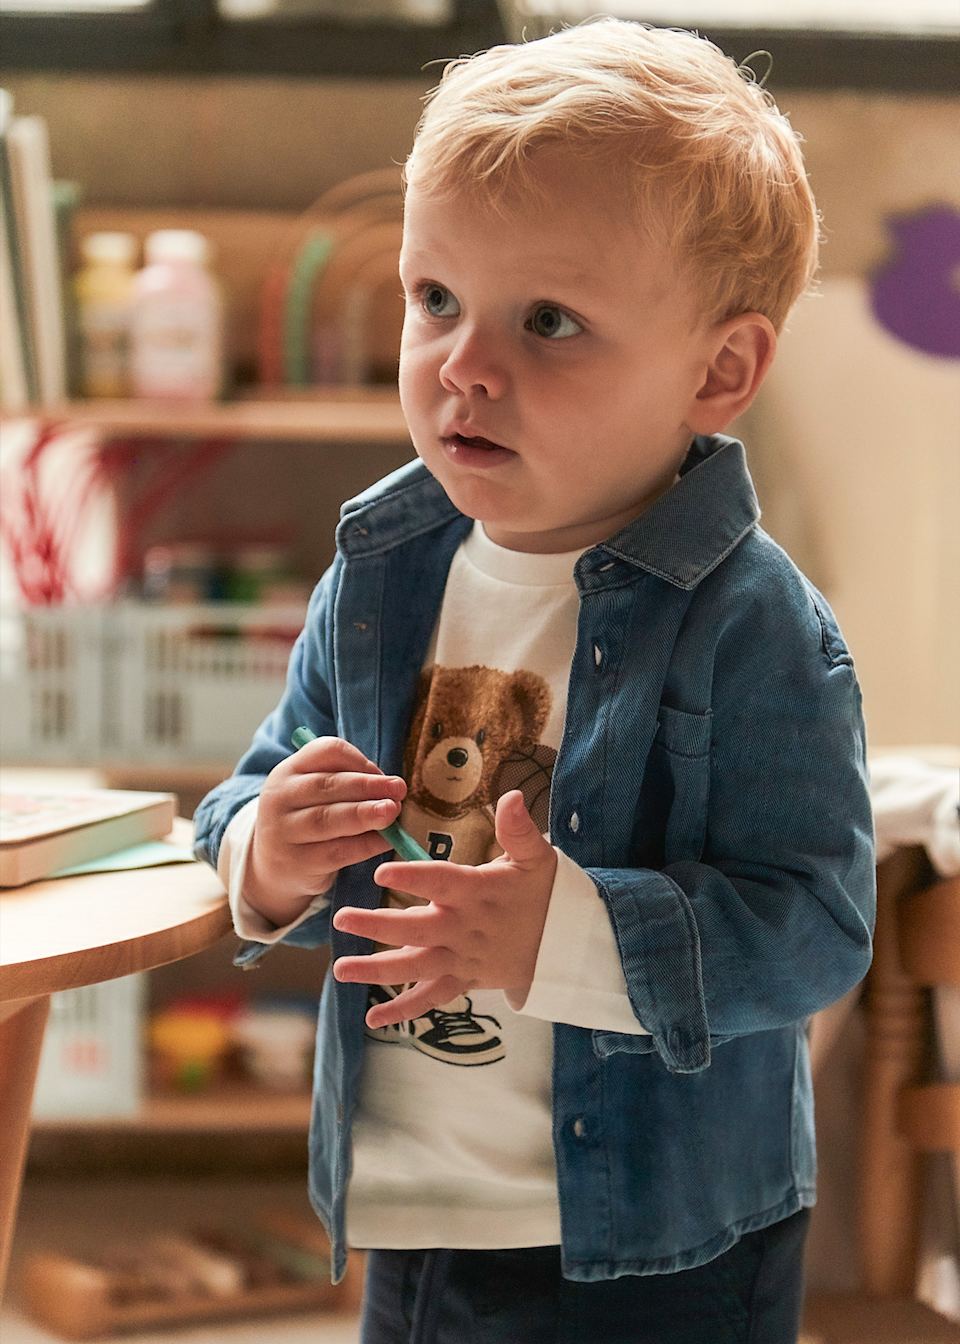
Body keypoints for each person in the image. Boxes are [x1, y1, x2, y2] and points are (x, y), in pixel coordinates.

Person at [194, 18, 875, 1343]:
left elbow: (815, 925)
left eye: (548, 322)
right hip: (416, 1198)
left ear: (719, 372)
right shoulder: (382, 573)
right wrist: (263, 854)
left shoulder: (755, 628)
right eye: (434, 299)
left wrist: (566, 937)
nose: (465, 364)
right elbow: (257, 789)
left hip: (660, 1237)